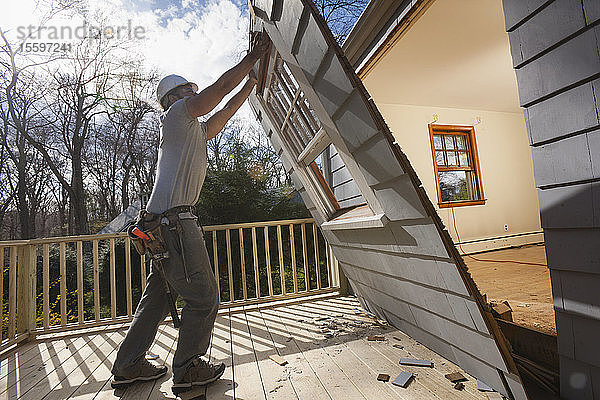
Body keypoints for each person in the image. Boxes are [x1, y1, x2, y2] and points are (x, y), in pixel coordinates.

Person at [110, 33, 270, 393]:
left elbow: (225, 110)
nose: (192, 95)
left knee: (154, 300)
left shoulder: (193, 130)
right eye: (186, 91)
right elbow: (218, 90)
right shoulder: (176, 115)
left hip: (158, 225)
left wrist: (252, 83)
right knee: (204, 297)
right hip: (174, 223)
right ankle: (187, 369)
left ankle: (129, 365)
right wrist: (250, 59)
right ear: (172, 99)